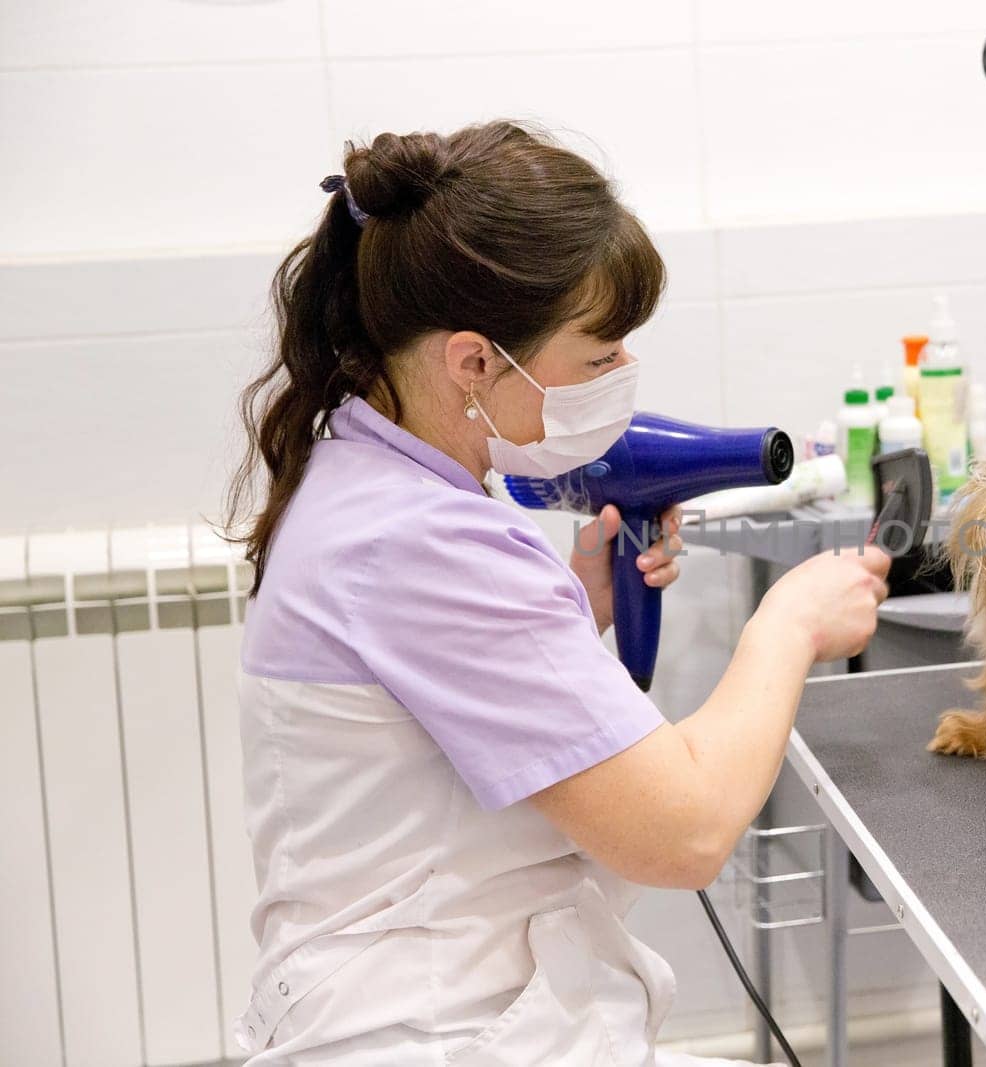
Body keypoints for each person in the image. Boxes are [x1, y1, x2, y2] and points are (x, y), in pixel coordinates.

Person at [225, 121, 890, 1065]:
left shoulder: (365, 477)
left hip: (445, 1002)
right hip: (433, 1032)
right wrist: (788, 622)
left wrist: (570, 609)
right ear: (473, 362)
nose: (622, 378)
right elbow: (688, 832)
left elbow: (424, 713)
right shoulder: (425, 540)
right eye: (599, 355)